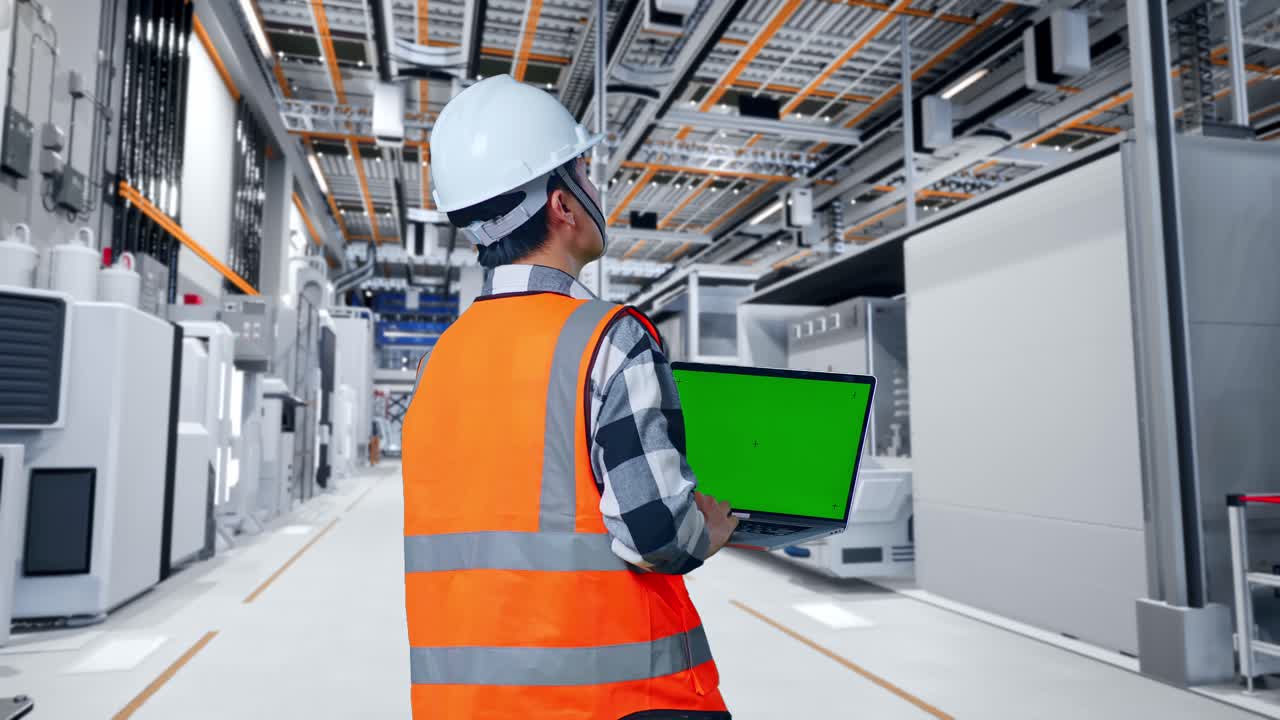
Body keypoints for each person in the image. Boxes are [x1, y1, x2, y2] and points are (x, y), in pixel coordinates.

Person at [399, 74, 738, 719]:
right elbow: (657, 532)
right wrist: (708, 528)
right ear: (562, 204)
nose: (594, 189)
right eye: (584, 171)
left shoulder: (436, 365)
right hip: (618, 703)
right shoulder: (610, 341)